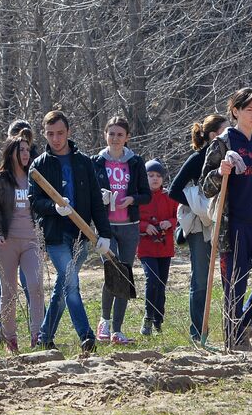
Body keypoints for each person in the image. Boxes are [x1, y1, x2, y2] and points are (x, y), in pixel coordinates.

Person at [199, 88, 252, 351]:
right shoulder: (223, 143)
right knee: (235, 286)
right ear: (235, 111)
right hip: (232, 225)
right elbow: (204, 187)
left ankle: (241, 323)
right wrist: (220, 172)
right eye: (249, 110)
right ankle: (234, 339)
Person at [32, 110, 113, 353]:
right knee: (71, 283)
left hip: (81, 233)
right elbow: (34, 201)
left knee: (63, 285)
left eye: (59, 133)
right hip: (55, 235)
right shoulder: (39, 165)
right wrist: (54, 208)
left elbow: (96, 203)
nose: (55, 139)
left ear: (68, 132)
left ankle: (45, 337)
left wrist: (104, 233)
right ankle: (87, 336)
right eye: (50, 134)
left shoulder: (83, 162)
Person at [92, 116, 152, 344]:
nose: (115, 138)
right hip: (106, 227)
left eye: (120, 134)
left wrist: (131, 199)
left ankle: (118, 329)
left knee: (124, 275)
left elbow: (146, 195)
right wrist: (101, 197)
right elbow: (89, 192)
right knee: (112, 271)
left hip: (129, 227)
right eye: (111, 134)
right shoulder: (96, 162)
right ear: (105, 135)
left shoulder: (135, 162)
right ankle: (104, 322)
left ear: (127, 137)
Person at [168, 114, 227, 342]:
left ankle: (230, 328)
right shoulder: (197, 159)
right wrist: (196, 201)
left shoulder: (228, 158)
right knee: (201, 279)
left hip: (221, 223)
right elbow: (173, 190)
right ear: (213, 136)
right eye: (224, 131)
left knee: (226, 276)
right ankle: (197, 333)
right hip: (198, 227)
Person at [0, 135, 44, 353]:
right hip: (6, 243)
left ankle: (37, 335)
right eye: (21, 149)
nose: (26, 154)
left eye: (28, 150)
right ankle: (10, 339)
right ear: (11, 152)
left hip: (31, 241)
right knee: (8, 293)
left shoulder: (36, 178)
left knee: (36, 286)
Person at [138, 160, 177, 336]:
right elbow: (133, 219)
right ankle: (148, 317)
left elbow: (179, 217)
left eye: (158, 176)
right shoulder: (140, 197)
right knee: (152, 280)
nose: (154, 179)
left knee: (161, 284)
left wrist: (170, 222)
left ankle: (158, 320)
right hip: (146, 248)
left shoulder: (170, 197)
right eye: (150, 175)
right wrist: (145, 226)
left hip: (165, 247)